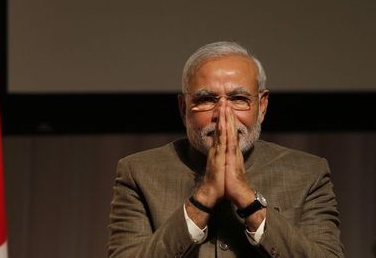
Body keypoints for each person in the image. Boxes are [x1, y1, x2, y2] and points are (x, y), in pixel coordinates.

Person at [107, 41, 344, 257]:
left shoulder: (309, 173)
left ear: (262, 106)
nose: (223, 115)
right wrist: (203, 197)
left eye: (239, 98)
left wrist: (247, 199)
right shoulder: (138, 172)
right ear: (183, 108)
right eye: (207, 99)